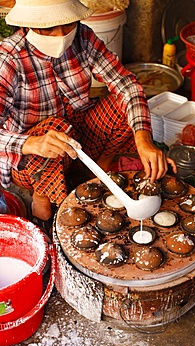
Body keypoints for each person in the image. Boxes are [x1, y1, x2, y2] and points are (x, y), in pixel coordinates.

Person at [0, 0, 176, 234]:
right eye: (48, 28)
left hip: (79, 136)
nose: (62, 34)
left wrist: (144, 140)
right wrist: (33, 143)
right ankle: (41, 202)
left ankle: (98, 178)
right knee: (54, 128)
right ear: (28, 24)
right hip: (32, 163)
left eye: (68, 23)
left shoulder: (82, 37)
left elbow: (126, 85)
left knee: (121, 107)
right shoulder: (9, 59)